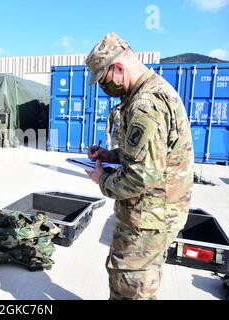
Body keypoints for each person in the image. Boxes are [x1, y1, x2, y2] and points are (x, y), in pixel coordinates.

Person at [84, 32, 194, 300]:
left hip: (148, 219)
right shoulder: (152, 91)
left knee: (130, 290)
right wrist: (111, 156)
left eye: (103, 80)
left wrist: (101, 179)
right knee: (139, 285)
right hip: (154, 215)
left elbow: (140, 177)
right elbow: (152, 155)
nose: (103, 87)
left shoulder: (146, 104)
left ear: (118, 68)